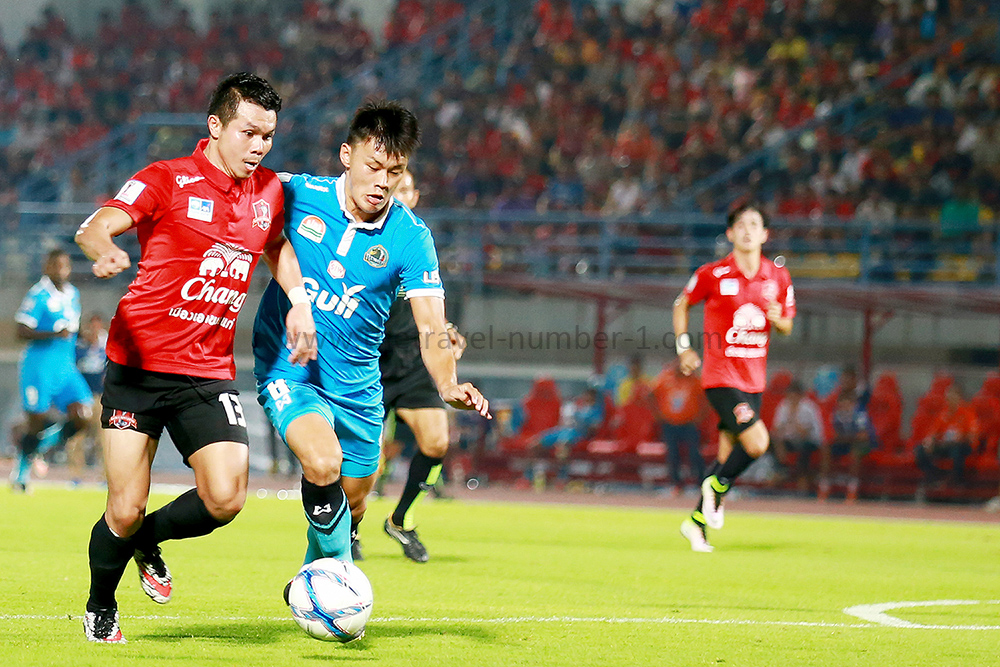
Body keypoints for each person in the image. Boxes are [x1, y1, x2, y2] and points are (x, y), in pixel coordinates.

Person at [74, 72, 317, 644]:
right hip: (137, 367)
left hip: (207, 372)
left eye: (268, 136)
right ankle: (100, 604)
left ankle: (146, 540)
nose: (259, 147)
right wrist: (104, 248)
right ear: (215, 125)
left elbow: (276, 245)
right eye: (248, 133)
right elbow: (95, 226)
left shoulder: (269, 192)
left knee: (226, 497)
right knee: (124, 508)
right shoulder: (166, 178)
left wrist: (301, 302)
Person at [251, 101, 490, 591]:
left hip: (359, 384)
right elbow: (232, 195)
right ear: (347, 155)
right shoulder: (297, 193)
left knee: (354, 502)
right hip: (292, 367)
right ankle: (340, 587)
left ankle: (310, 582)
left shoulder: (411, 237)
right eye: (374, 166)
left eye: (394, 172)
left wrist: (447, 383)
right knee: (322, 463)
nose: (382, 182)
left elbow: (431, 324)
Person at [674, 203, 796, 552]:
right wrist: (684, 348)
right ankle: (715, 486)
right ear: (729, 233)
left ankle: (696, 525)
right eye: (740, 225)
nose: (747, 230)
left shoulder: (777, 277)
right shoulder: (713, 274)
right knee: (757, 443)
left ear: (765, 234)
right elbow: (681, 304)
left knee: (727, 456)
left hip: (753, 379)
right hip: (720, 376)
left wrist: (778, 319)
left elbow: (787, 325)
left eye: (754, 224)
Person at [377, 169, 467, 563]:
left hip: (414, 359)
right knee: (365, 460)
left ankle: (401, 519)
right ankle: (350, 527)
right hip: (370, 357)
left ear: (415, 196)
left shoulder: (419, 241)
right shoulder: (365, 236)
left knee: (436, 442)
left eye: (406, 189)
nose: (398, 194)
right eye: (392, 188)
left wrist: (448, 332)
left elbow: (428, 306)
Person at [11, 249, 93, 493]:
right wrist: (53, 334)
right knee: (36, 421)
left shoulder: (73, 294)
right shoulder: (38, 294)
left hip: (65, 367)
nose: (59, 270)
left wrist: (83, 336)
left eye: (63, 265)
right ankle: (22, 472)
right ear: (46, 267)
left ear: (69, 268)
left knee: (84, 416)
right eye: (54, 265)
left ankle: (39, 447)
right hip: (39, 367)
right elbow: (21, 330)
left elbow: (72, 328)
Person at [648, 360, 707, 494]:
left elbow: (706, 397)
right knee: (673, 454)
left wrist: (701, 416)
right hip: (670, 424)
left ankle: (700, 482)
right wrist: (658, 414)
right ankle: (676, 484)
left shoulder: (694, 380)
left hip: (689, 424)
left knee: (694, 453)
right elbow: (650, 395)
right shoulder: (665, 378)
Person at [915, 383, 978, 500]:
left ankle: (957, 482)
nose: (950, 400)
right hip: (946, 445)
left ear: (959, 398)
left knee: (957, 451)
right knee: (920, 450)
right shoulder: (944, 414)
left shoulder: (967, 413)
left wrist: (961, 436)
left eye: (953, 397)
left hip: (962, 444)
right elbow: (934, 433)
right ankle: (935, 477)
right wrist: (929, 441)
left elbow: (972, 436)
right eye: (948, 398)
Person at [68, 312, 109, 484]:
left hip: (100, 396)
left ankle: (104, 476)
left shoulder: (107, 345)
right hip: (81, 396)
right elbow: (72, 365)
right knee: (77, 437)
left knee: (103, 438)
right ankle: (76, 475)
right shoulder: (79, 345)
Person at [819, 388, 875, 503]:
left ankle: (852, 487)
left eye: (848, 403)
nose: (845, 407)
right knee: (826, 449)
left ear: (853, 404)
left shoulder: (860, 415)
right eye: (842, 404)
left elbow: (863, 436)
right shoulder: (836, 415)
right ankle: (824, 485)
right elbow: (832, 434)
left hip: (862, 444)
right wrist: (843, 437)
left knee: (856, 451)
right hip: (844, 442)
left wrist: (846, 437)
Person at [771, 381, 824, 495]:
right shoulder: (783, 406)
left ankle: (802, 480)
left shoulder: (808, 408)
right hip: (791, 440)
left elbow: (804, 433)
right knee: (773, 442)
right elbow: (777, 429)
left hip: (810, 441)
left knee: (803, 448)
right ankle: (781, 469)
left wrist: (793, 416)